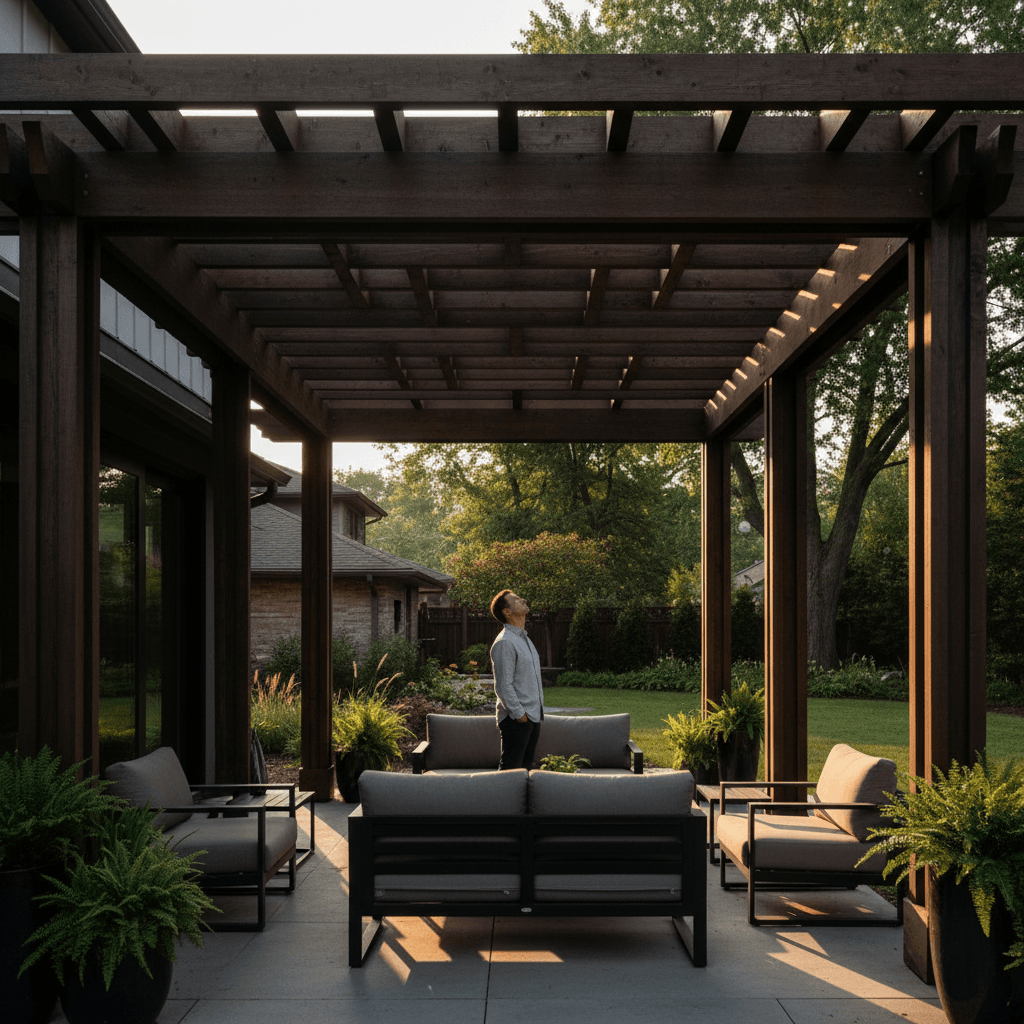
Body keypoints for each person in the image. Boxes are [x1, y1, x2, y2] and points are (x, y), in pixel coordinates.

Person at [489, 588, 545, 770]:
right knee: (510, 770)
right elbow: (503, 686)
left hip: (532, 716)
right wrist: (520, 715)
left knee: (525, 769)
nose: (524, 600)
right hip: (517, 719)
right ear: (507, 612)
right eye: (517, 599)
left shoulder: (523, 639)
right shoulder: (505, 642)